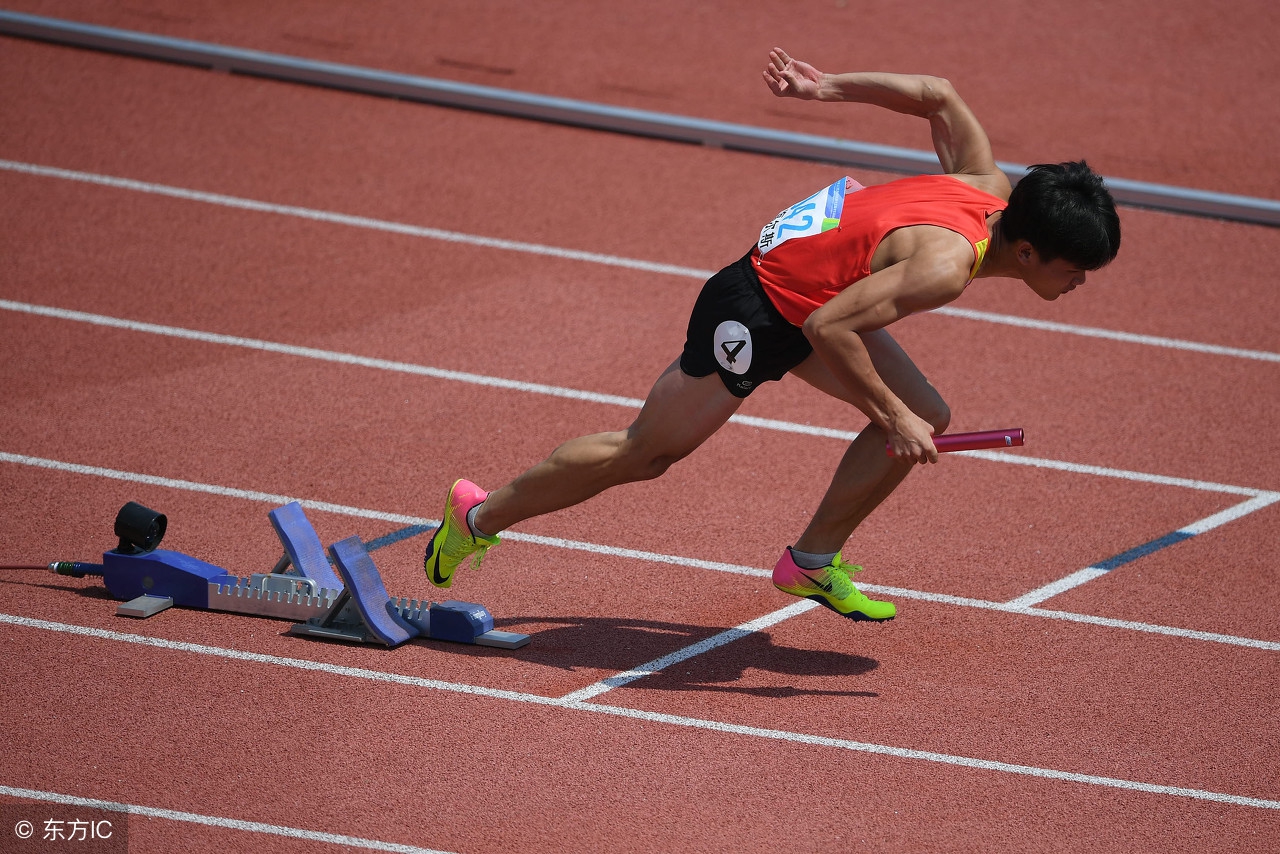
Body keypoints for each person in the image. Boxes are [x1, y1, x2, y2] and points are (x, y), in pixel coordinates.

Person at [423, 48, 1121, 622]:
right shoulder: (943, 268)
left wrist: (827, 87)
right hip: (758, 309)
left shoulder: (988, 185)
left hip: (813, 293)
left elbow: (938, 94)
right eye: (1074, 270)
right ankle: (476, 518)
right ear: (1026, 251)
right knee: (645, 454)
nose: (1078, 283)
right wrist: (890, 416)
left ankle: (811, 561)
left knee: (926, 414)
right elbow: (828, 327)